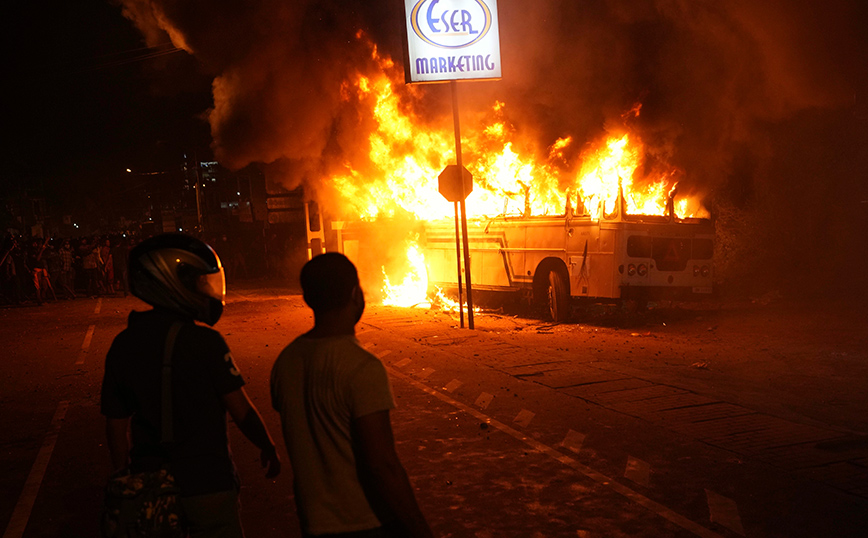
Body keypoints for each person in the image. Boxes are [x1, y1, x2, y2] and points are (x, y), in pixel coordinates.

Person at [100, 233, 281, 537]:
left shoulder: (124, 344)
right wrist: (267, 445)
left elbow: (116, 427)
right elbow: (241, 411)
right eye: (199, 282)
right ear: (171, 283)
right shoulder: (205, 342)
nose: (208, 290)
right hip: (208, 484)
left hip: (151, 487)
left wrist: (123, 476)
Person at [270, 253, 433, 538]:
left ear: (308, 298)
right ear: (356, 295)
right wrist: (419, 528)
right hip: (365, 522)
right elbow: (382, 465)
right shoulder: (363, 367)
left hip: (314, 523)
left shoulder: (285, 362)